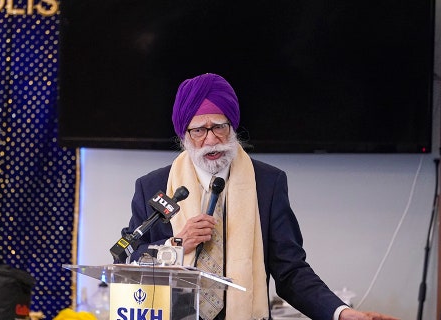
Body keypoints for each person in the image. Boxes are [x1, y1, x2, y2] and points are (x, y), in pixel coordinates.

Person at [119, 73, 398, 320]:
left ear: (233, 127)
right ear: (184, 135)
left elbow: (290, 271)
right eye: (199, 131)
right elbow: (126, 257)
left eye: (219, 126)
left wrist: (341, 313)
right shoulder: (153, 186)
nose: (212, 140)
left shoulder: (268, 183)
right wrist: (176, 242)